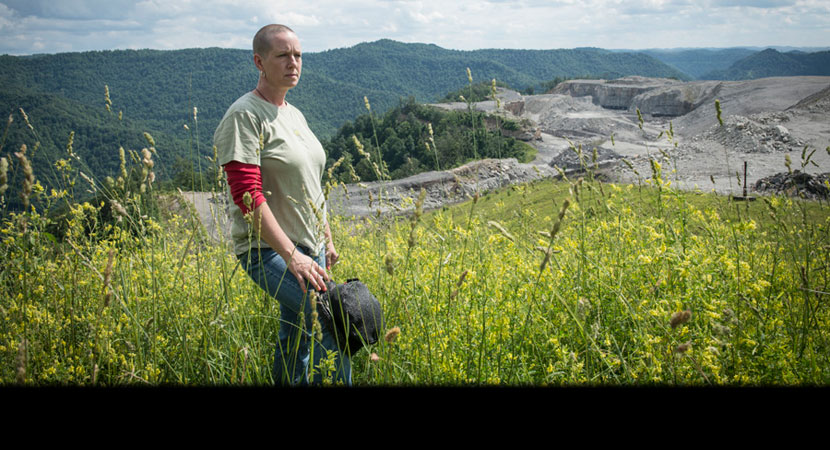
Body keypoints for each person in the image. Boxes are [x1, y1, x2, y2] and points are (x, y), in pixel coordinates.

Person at [214, 24, 351, 385]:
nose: (293, 62)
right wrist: (292, 255)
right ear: (259, 61)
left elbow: (310, 185)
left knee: (297, 338)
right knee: (333, 318)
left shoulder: (294, 114)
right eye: (282, 55)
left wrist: (326, 238)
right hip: (269, 251)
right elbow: (247, 196)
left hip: (310, 248)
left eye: (298, 55)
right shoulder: (245, 115)